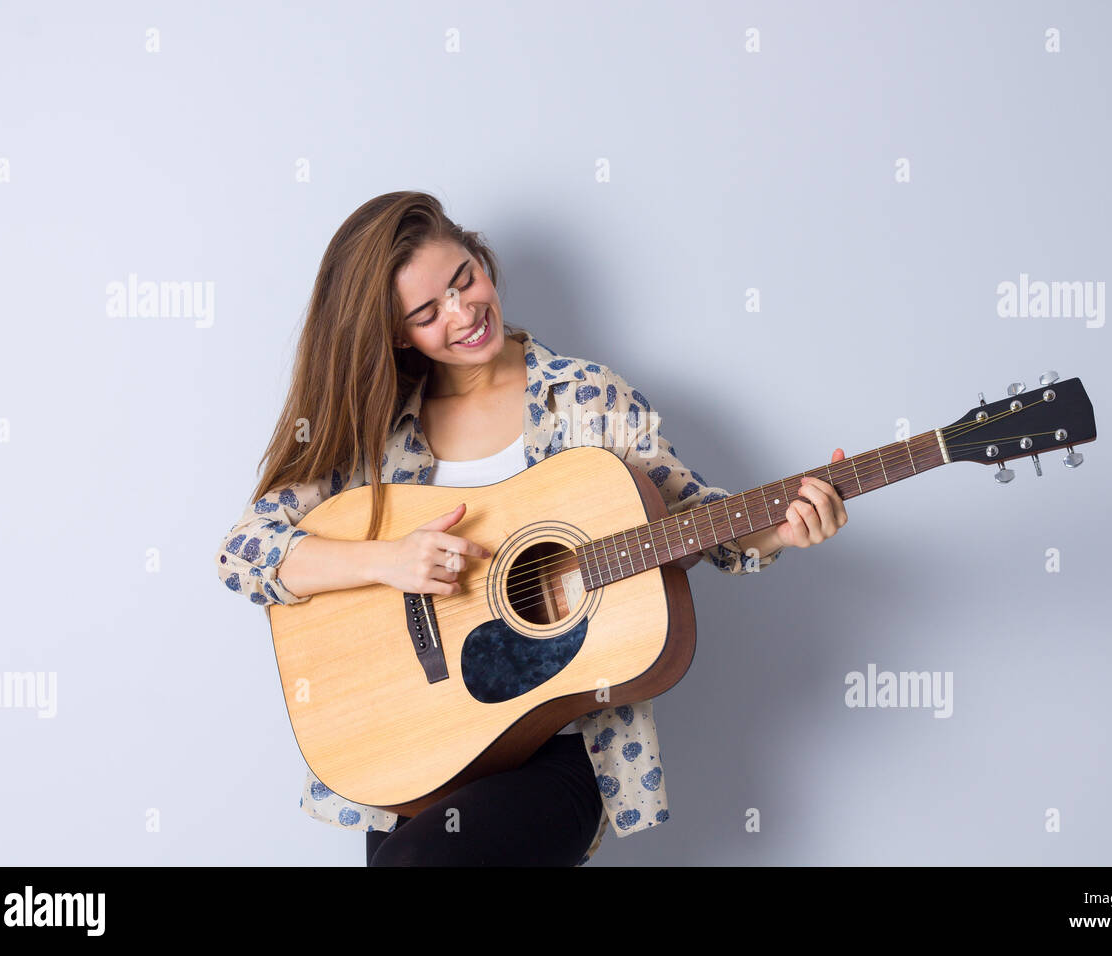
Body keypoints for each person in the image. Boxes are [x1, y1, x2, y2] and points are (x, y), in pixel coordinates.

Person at [214, 190, 849, 866]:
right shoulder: (374, 434)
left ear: (481, 258)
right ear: (398, 333)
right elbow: (245, 554)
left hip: (562, 751)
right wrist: (389, 561)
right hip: (415, 747)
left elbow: (692, 523)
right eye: (428, 313)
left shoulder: (587, 398)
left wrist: (782, 529)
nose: (464, 314)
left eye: (465, 279)